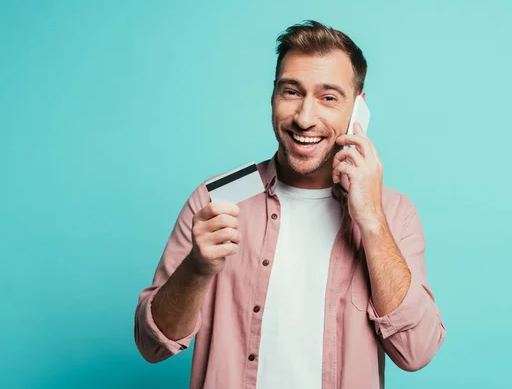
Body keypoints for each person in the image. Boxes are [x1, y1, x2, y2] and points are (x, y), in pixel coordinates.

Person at [134, 20, 446, 389]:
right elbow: (153, 346)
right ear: (273, 96)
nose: (304, 118)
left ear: (358, 110)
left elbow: (417, 351)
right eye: (291, 92)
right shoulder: (219, 197)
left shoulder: (393, 212)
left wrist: (372, 220)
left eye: (328, 97)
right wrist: (197, 269)